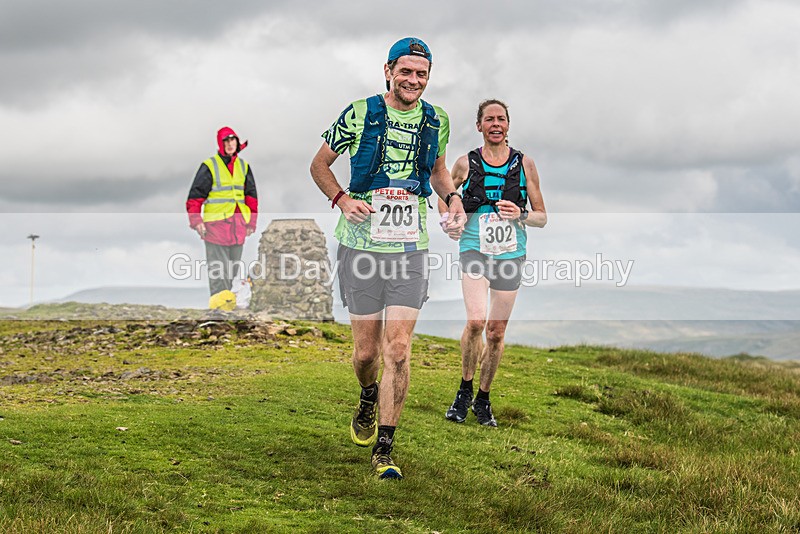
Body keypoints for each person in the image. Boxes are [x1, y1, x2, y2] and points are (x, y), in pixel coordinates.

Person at [310, 37, 465, 479]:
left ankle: (385, 447)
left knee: (397, 347)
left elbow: (436, 170)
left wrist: (451, 198)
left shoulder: (437, 119)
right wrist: (341, 198)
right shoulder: (358, 112)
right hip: (360, 244)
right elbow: (319, 164)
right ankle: (366, 394)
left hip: (409, 246)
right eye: (406, 72)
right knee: (365, 353)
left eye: (422, 74)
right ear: (388, 71)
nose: (414, 80)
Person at [442, 99, 546, 427]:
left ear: (508, 125)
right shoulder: (465, 163)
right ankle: (464, 389)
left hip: (511, 252)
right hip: (474, 247)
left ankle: (483, 399)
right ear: (479, 126)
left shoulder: (525, 164)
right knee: (476, 321)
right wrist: (449, 220)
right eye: (489, 119)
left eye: (501, 119)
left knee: (496, 332)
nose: (496, 124)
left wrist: (523, 213)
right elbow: (444, 194)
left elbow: (542, 217)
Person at [186, 127, 258, 304]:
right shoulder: (209, 166)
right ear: (220, 144)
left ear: (237, 142)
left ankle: (228, 309)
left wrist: (251, 224)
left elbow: (251, 198)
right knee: (219, 271)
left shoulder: (244, 166)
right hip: (215, 227)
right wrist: (197, 222)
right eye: (226, 141)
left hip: (238, 228)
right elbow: (195, 198)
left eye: (232, 140)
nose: (230, 144)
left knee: (232, 271)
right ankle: (218, 311)